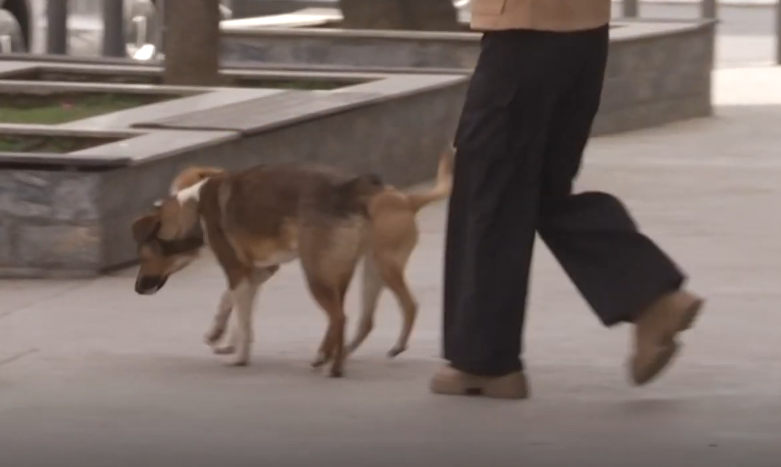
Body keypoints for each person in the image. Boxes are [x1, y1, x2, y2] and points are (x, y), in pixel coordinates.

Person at [429, 0, 704, 399]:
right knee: (541, 192)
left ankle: (483, 363)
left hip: (524, 33)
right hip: (584, 33)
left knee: (487, 192)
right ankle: (650, 296)